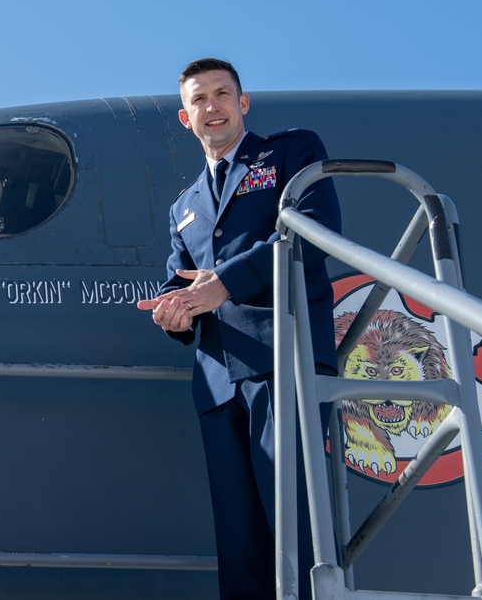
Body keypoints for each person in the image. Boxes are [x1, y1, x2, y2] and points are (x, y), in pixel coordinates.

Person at [136, 58, 341, 599]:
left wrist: (222, 284)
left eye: (222, 94)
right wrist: (173, 314)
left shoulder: (292, 153)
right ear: (186, 118)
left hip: (283, 360)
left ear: (242, 103)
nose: (213, 107)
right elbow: (177, 281)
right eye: (199, 99)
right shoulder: (186, 206)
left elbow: (314, 235)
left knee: (295, 530)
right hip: (217, 384)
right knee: (240, 547)